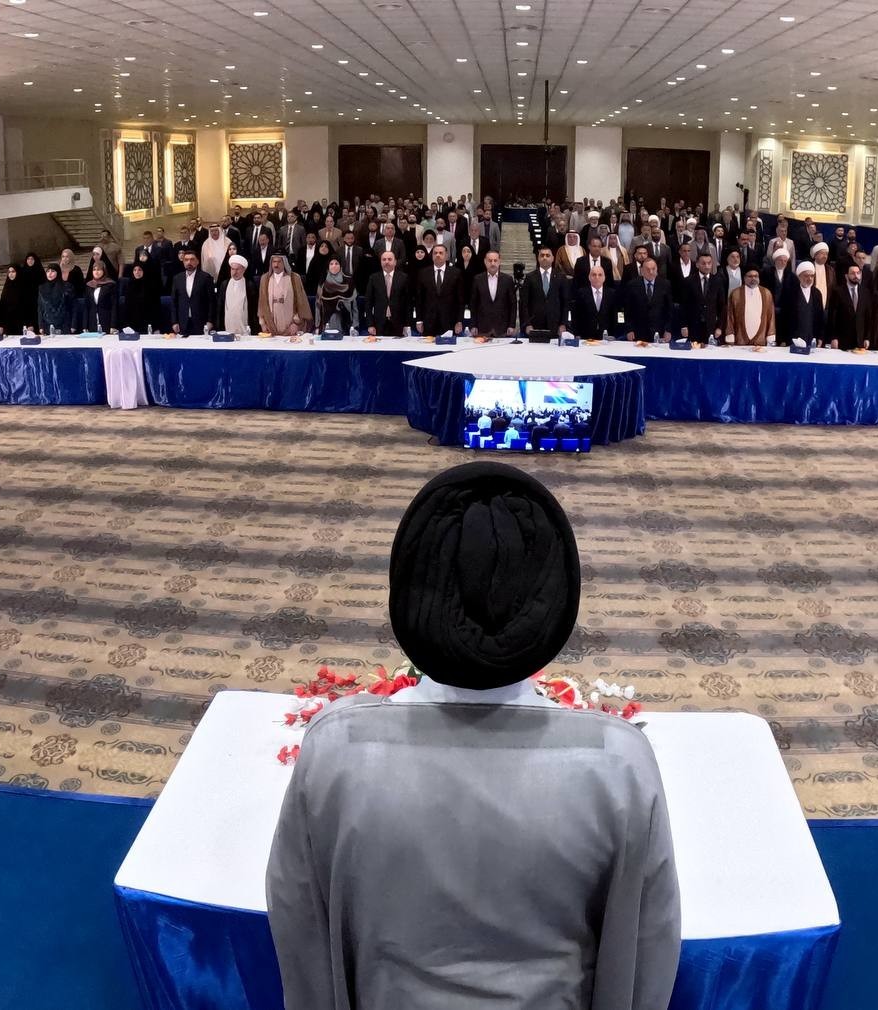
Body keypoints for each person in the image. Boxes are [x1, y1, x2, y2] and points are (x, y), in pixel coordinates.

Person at [267, 461, 681, 1010]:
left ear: (407, 596)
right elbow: (643, 954)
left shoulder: (337, 752)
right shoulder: (617, 764)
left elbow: (303, 936)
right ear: (557, 606)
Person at [258, 254, 313, 335]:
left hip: (291, 326)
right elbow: (261, 302)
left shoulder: (294, 278)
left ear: (284, 262)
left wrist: (296, 324)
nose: (276, 265)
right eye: (274, 262)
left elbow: (301, 301)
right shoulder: (265, 278)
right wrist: (262, 322)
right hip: (270, 325)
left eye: (279, 262)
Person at [416, 242, 464, 335]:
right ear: (432, 256)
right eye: (435, 253)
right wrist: (419, 320)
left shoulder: (456, 273)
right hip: (428, 321)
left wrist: (459, 321)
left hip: (449, 320)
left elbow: (460, 299)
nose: (438, 255)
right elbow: (419, 299)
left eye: (441, 253)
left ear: (446, 256)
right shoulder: (423, 273)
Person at [680, 250, 726, 345]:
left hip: (711, 327)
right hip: (693, 326)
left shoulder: (717, 281)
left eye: (709, 263)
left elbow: (722, 306)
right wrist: (684, 325)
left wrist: (720, 327)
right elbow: (683, 305)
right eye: (703, 263)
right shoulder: (688, 281)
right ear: (697, 264)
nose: (707, 266)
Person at [519, 247, 567, 336]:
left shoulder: (561, 277)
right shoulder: (530, 277)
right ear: (538, 258)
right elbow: (524, 304)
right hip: (534, 326)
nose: (544, 258)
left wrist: (563, 324)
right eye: (542, 255)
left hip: (555, 326)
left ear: (553, 258)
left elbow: (565, 303)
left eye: (547, 255)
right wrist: (527, 324)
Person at [468, 250, 517, 337]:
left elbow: (513, 304)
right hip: (482, 328)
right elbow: (473, 304)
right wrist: (473, 325)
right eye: (490, 261)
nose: (493, 263)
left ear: (499, 261)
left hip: (503, 329)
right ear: (485, 262)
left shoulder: (508, 279)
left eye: (495, 260)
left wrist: (512, 325)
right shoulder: (477, 279)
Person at [623, 257, 672, 342]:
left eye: (653, 269)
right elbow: (626, 310)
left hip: (659, 332)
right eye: (648, 269)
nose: (651, 272)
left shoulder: (665, 284)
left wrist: (668, 330)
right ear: (641, 270)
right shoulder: (632, 285)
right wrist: (629, 329)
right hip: (638, 333)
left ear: (657, 269)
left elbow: (670, 310)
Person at [826, 262, 873, 350]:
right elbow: (832, 317)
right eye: (852, 273)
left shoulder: (865, 292)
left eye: (858, 273)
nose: (856, 276)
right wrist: (834, 337)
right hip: (842, 340)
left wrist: (867, 338)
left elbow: (868, 317)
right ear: (846, 276)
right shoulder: (838, 292)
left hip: (860, 341)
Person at [725, 265, 775, 347]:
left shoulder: (766, 293)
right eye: (750, 276)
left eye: (756, 276)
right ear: (744, 278)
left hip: (760, 340)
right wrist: (730, 335)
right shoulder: (736, 293)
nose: (753, 279)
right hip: (740, 339)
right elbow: (730, 316)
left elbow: (771, 316)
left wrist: (770, 336)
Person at [777, 261, 825, 347]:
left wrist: (820, 337)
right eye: (806, 276)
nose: (809, 279)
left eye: (812, 276)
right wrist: (782, 339)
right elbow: (783, 317)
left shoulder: (817, 294)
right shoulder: (790, 292)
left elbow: (820, 317)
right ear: (799, 276)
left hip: (812, 339)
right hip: (792, 339)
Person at [364, 250, 409, 337]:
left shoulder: (403, 278)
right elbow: (368, 303)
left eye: (389, 259)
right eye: (384, 259)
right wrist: (370, 324)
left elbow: (407, 303)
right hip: (379, 323)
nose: (386, 262)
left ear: (395, 262)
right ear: (380, 262)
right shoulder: (373, 278)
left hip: (398, 323)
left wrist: (407, 324)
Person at [171, 250, 215, 335]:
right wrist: (174, 321)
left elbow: (211, 301)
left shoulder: (206, 278)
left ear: (197, 261)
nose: (189, 262)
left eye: (192, 259)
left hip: (201, 322)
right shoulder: (177, 278)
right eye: (186, 260)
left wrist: (210, 321)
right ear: (183, 262)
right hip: (182, 322)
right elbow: (174, 302)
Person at [571, 263, 618, 341]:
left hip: (607, 337)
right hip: (585, 337)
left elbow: (616, 315)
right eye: (594, 275)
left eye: (600, 275)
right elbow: (575, 315)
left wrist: (614, 334)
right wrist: (576, 334)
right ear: (589, 277)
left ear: (604, 278)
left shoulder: (612, 293)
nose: (597, 277)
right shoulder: (581, 293)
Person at [217, 254, 260, 334]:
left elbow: (254, 309)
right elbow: (220, 307)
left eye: (237, 269)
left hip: (245, 329)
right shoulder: (224, 284)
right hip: (227, 328)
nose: (234, 272)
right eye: (232, 269)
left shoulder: (249, 285)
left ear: (243, 270)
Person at [123, 261, 163, 333]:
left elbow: (156, 308)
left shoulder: (151, 286)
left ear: (144, 271)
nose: (137, 272)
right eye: (134, 270)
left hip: (149, 325)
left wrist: (156, 327)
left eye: (139, 270)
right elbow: (127, 308)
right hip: (133, 325)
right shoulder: (129, 285)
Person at [317, 256, 353, 332]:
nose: (334, 266)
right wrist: (317, 326)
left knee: (336, 316)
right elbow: (317, 305)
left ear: (341, 266)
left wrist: (355, 326)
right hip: (326, 319)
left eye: (336, 263)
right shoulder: (322, 282)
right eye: (331, 264)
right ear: (328, 267)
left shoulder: (348, 282)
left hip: (345, 319)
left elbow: (353, 305)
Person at [36, 263, 71, 334]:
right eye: (48, 271)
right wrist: (40, 326)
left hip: (64, 324)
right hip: (47, 324)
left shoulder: (66, 286)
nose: (50, 273)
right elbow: (40, 308)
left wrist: (73, 324)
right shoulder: (42, 288)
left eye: (53, 271)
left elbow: (71, 306)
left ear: (58, 272)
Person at [83, 263, 118, 332]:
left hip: (106, 320)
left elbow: (114, 306)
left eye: (99, 270)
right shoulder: (89, 285)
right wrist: (85, 326)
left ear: (104, 271)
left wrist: (113, 325)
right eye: (94, 270)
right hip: (92, 322)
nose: (96, 272)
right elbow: (86, 306)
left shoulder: (110, 285)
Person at [0, 265, 29, 335]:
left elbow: (28, 306)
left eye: (13, 271)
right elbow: (2, 306)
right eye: (9, 272)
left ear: (18, 272)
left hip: (21, 323)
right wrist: (0, 323)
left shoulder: (24, 287)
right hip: (8, 323)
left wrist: (29, 323)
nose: (11, 274)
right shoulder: (6, 287)